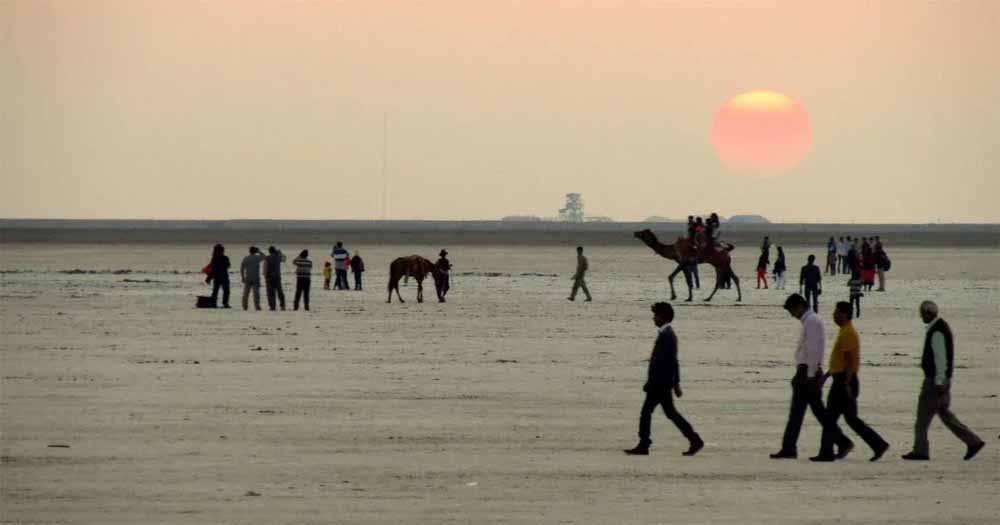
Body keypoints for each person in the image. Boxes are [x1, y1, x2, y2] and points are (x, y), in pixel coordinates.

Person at [901, 301, 986, 461]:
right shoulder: (939, 327)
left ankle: (921, 451)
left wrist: (939, 381)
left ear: (928, 313)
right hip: (941, 380)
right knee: (945, 415)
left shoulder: (937, 331)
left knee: (922, 419)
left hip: (935, 382)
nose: (920, 316)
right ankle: (973, 442)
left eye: (922, 313)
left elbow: (941, 358)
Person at [771, 293, 851, 459]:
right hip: (808, 372)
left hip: (807, 373)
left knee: (802, 413)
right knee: (811, 412)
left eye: (792, 310)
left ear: (800, 306)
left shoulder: (812, 322)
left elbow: (814, 350)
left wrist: (810, 375)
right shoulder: (810, 321)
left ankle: (790, 447)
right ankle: (840, 441)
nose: (792, 314)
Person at [624, 302, 704, 456]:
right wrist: (674, 383)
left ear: (663, 317)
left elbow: (670, 361)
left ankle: (644, 444)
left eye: (656, 315)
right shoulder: (666, 334)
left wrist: (672, 384)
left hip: (660, 383)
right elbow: (670, 361)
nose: (653, 318)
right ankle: (694, 440)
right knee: (669, 413)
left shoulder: (667, 336)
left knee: (647, 412)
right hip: (662, 382)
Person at [812, 301, 889, 462]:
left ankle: (827, 452)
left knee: (830, 418)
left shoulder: (848, 333)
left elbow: (848, 361)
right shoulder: (845, 330)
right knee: (851, 419)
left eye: (836, 313)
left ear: (844, 314)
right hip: (843, 379)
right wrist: (827, 376)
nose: (834, 315)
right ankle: (878, 445)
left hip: (844, 381)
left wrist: (846, 384)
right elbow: (840, 361)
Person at [206, 244, 231, 308]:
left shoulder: (215, 259)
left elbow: (212, 269)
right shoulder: (225, 258)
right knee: (225, 291)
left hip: (217, 277)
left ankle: (214, 303)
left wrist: (209, 278)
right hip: (224, 277)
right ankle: (225, 303)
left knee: (216, 291)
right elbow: (228, 266)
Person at [240, 246, 265, 311]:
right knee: (256, 293)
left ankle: (244, 305)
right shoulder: (257, 258)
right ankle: (257, 306)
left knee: (246, 292)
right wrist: (259, 251)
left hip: (248, 277)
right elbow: (264, 257)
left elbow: (242, 268)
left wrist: (242, 277)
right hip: (255, 277)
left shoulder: (246, 258)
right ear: (255, 251)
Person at [263, 246, 286, 311]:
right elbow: (284, 259)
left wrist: (265, 276)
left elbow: (265, 267)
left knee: (271, 293)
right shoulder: (278, 257)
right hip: (277, 277)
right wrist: (280, 253)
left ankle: (272, 306)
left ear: (269, 251)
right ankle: (282, 306)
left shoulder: (267, 258)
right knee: (280, 292)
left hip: (269, 277)